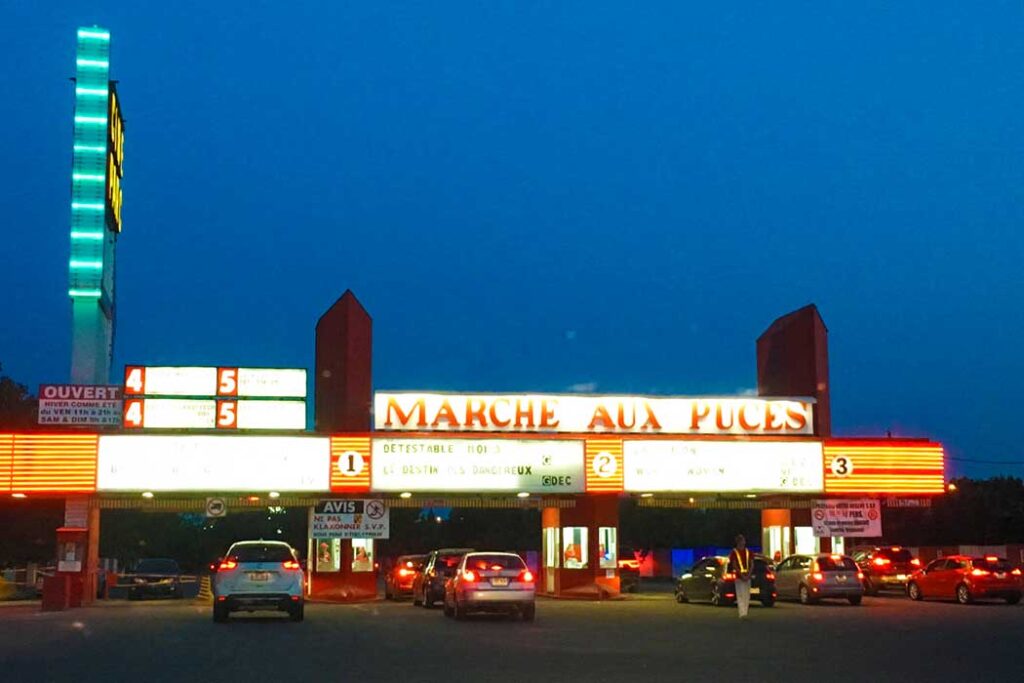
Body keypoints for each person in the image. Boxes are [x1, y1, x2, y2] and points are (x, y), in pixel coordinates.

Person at [728, 534, 753, 619]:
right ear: (738, 542)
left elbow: (752, 564)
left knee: (746, 595)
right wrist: (743, 576)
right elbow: (734, 565)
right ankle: (742, 613)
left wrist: (748, 575)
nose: (743, 542)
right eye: (742, 541)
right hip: (739, 577)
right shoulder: (734, 552)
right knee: (741, 595)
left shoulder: (748, 552)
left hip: (745, 576)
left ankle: (744, 612)